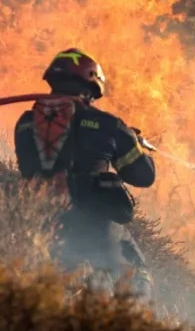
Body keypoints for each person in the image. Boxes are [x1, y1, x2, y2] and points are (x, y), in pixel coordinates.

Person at [13, 48, 156, 298]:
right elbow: (143, 176)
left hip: (39, 225)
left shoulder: (25, 123)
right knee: (135, 277)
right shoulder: (109, 125)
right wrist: (132, 140)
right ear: (91, 86)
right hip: (96, 226)